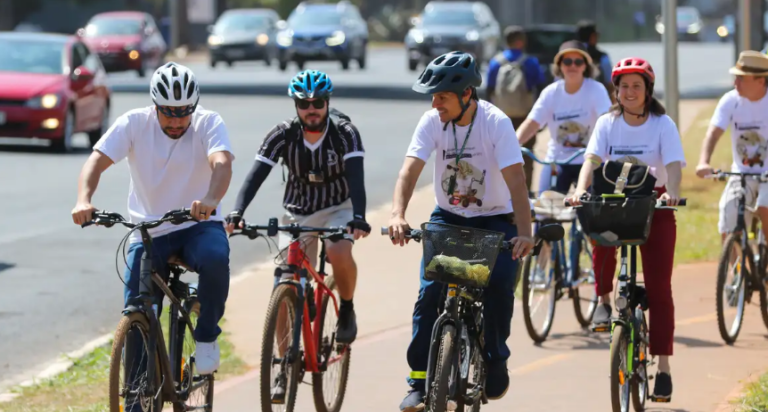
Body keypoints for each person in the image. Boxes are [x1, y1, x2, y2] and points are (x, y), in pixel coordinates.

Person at [388, 51, 535, 412]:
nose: (435, 103)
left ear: (467, 94)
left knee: (499, 283)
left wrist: (525, 231)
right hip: (450, 216)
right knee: (429, 294)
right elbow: (410, 171)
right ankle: (419, 380)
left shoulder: (495, 122)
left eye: (442, 96)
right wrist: (397, 213)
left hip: (496, 218)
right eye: (433, 96)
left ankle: (496, 358)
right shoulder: (431, 121)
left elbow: (516, 180)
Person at [70, 62, 235, 377]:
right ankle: (135, 399)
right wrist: (83, 200)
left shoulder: (209, 123)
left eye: (184, 111)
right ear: (155, 105)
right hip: (149, 230)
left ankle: (206, 336)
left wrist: (211, 200)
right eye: (168, 112)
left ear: (195, 106)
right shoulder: (134, 123)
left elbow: (222, 163)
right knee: (137, 310)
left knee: (216, 258)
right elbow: (95, 162)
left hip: (197, 225)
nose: (177, 120)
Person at [567, 57, 685, 401]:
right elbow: (591, 160)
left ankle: (662, 367)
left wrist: (673, 191)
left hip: (655, 203)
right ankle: (602, 301)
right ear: (615, 91)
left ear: (648, 90)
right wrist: (579, 190)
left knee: (660, 288)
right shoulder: (607, 123)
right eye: (623, 86)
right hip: (616, 200)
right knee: (600, 235)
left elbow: (674, 164)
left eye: (637, 85)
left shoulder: (663, 124)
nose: (629, 92)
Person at [225, 70, 370, 348]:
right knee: (285, 279)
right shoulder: (282, 134)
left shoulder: (345, 133)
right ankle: (281, 366)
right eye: (304, 104)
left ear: (328, 102)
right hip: (297, 211)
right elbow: (256, 175)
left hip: (338, 207)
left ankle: (347, 308)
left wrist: (359, 217)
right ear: (296, 106)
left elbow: (356, 177)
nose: (311, 109)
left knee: (337, 250)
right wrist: (237, 212)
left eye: (318, 103)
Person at [516, 40, 612, 196]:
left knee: (593, 211)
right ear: (559, 65)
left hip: (590, 159)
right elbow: (533, 122)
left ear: (585, 66)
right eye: (567, 61)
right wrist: (513, 143)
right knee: (546, 208)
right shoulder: (551, 92)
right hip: (557, 160)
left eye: (578, 61)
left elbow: (607, 121)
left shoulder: (596, 90)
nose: (572, 66)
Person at [696, 51, 768, 243]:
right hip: (742, 173)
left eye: (742, 79)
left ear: (761, 81)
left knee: (764, 207)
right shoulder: (730, 100)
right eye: (736, 77)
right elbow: (713, 133)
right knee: (729, 217)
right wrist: (704, 162)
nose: (736, 83)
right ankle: (737, 268)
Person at [486, 25, 546, 192]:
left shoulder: (495, 62)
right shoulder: (530, 62)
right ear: (521, 41)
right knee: (526, 153)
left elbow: (489, 90)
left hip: (501, 117)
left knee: (501, 153)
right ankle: (526, 191)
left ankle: (504, 191)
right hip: (524, 116)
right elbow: (540, 87)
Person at [576, 20, 615, 101]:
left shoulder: (568, 56)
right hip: (597, 101)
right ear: (592, 36)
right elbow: (610, 83)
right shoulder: (601, 57)